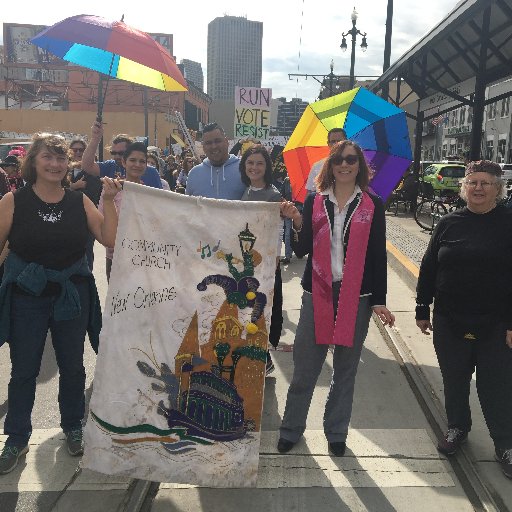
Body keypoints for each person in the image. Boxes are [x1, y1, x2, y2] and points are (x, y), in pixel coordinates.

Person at [0, 133, 121, 475]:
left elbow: (109, 238)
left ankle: (72, 426)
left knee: (73, 366)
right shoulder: (13, 201)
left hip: (71, 293)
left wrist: (108, 200)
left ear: (67, 163)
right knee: (24, 369)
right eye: (47, 158)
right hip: (28, 296)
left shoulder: (79, 201)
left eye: (60, 158)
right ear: (33, 163)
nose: (54, 165)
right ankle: (17, 436)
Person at [277, 140, 394, 457]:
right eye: (339, 159)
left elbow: (377, 255)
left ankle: (337, 432)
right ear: (331, 164)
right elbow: (302, 250)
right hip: (318, 292)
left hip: (357, 295)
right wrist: (297, 220)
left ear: (360, 165)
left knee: (345, 369)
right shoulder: (315, 201)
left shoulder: (372, 204)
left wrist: (380, 299)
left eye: (351, 159)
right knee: (305, 368)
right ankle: (291, 429)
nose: (345, 164)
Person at [416, 160, 512, 479]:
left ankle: (505, 443)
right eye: (473, 183)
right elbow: (430, 266)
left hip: (497, 323)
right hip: (449, 319)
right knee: (454, 379)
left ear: (498, 188)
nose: (478, 188)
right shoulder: (448, 223)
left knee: (495, 386)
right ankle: (457, 428)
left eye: (485, 183)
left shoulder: (508, 222)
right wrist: (421, 308)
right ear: (464, 187)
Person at [239, 145, 284, 376]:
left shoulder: (273, 194)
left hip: (264, 263)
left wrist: (276, 256)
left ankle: (263, 358)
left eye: (259, 163)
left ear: (266, 167)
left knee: (261, 309)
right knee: (247, 308)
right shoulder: (245, 191)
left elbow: (278, 229)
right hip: (247, 261)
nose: (254, 167)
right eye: (250, 163)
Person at [99, 142, 149, 281]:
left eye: (142, 161)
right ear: (124, 162)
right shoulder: (111, 189)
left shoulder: (152, 193)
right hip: (116, 258)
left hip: (146, 260)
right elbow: (102, 222)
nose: (137, 165)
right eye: (133, 160)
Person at [81, 121, 162, 189]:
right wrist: (95, 138)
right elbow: (87, 166)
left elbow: (160, 201)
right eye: (113, 153)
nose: (117, 156)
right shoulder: (110, 166)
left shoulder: (151, 172)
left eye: (120, 153)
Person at [67, 137, 102, 270]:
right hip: (65, 217)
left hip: (86, 219)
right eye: (74, 150)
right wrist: (73, 186)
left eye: (81, 150)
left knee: (86, 254)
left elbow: (93, 196)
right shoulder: (61, 169)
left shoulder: (93, 171)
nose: (78, 153)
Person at [186, 122, 245, 200]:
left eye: (217, 141)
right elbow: (188, 209)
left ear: (226, 141)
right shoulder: (193, 174)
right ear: (203, 147)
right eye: (208, 143)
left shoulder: (244, 169)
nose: (214, 146)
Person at [305, 128, 347, 194]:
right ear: (328, 144)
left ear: (346, 142)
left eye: (339, 141)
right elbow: (310, 192)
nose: (336, 144)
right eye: (333, 141)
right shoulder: (317, 166)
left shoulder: (354, 165)